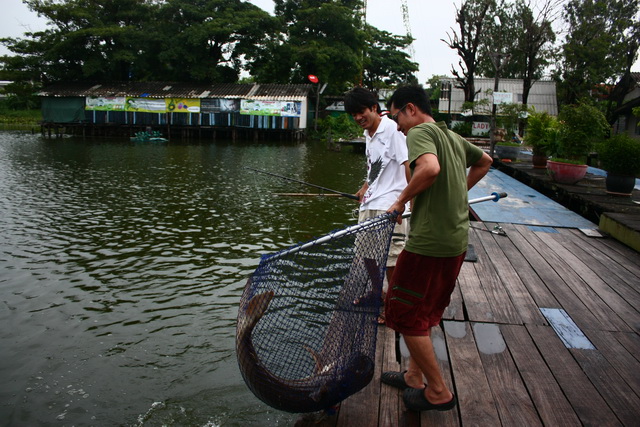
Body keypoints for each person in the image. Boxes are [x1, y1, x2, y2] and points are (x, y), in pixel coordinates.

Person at [380, 85, 492, 412]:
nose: (397, 126)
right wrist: (457, 193)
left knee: (400, 312)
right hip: (455, 241)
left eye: (395, 116)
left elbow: (429, 169)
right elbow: (485, 161)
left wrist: (400, 201)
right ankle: (414, 377)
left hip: (428, 243)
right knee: (425, 312)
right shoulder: (453, 137)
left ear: (410, 109)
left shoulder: (419, 132)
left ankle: (438, 392)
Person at [344, 87, 411, 323]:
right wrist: (364, 187)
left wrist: (407, 202)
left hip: (390, 204)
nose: (358, 118)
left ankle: (395, 307)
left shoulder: (393, 129)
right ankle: (377, 293)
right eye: (353, 114)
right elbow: (375, 166)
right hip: (370, 202)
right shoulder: (368, 134)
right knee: (367, 255)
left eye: (361, 111)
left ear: (374, 107)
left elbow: (408, 164)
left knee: (392, 258)